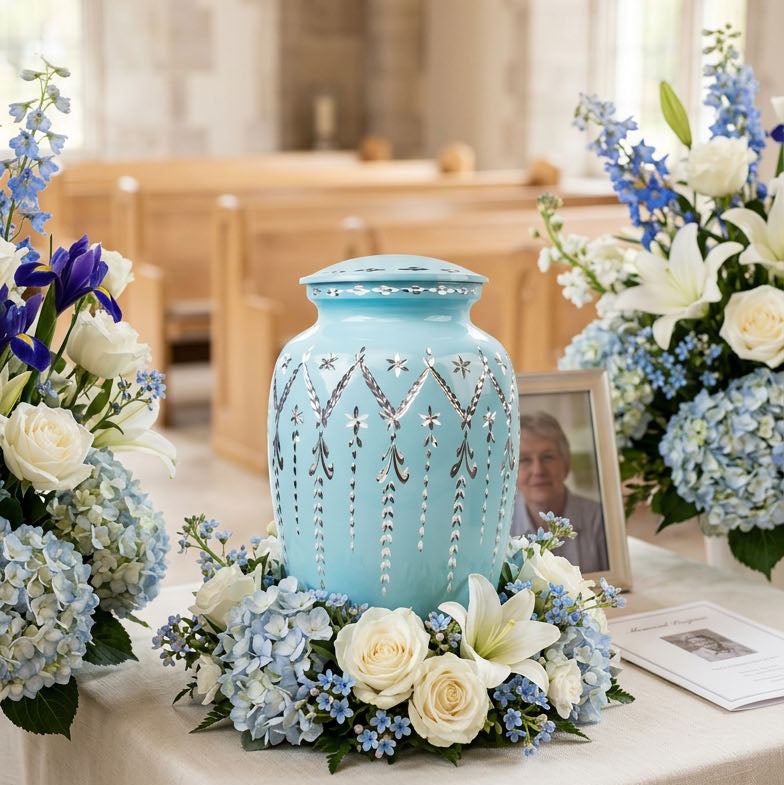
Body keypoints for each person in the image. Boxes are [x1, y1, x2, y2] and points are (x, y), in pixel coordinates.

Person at [511, 411, 609, 572]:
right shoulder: (498, 526)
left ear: (566, 462)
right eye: (524, 460)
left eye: (548, 457)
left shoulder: (599, 517)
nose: (538, 470)